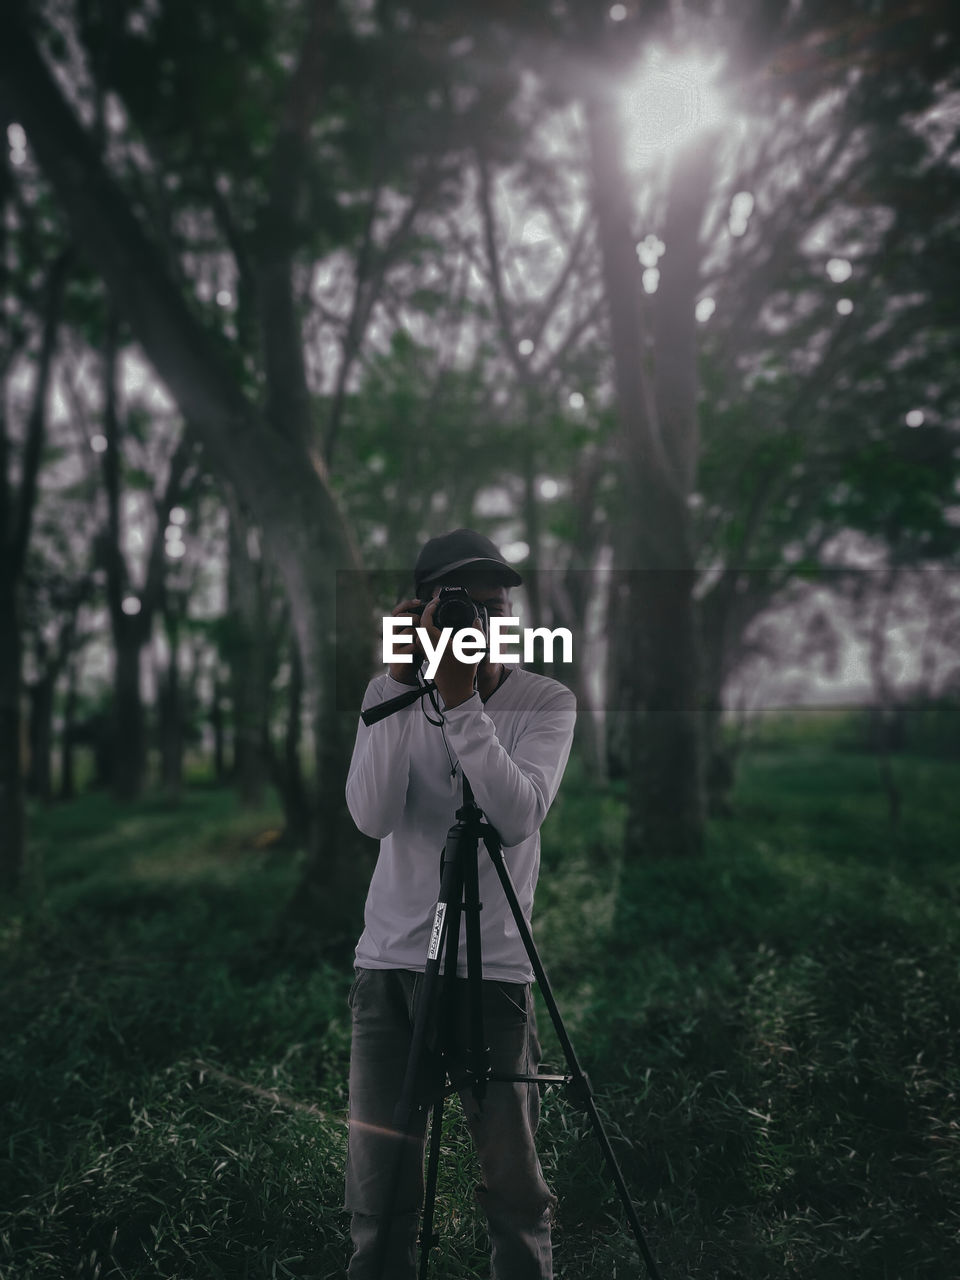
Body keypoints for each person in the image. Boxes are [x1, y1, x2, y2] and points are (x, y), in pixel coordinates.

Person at [343, 528, 577, 1280]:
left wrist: (461, 701)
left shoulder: (546, 700)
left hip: (495, 968)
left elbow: (516, 815)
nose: (481, 623)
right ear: (420, 611)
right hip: (391, 963)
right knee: (379, 1183)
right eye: (461, 607)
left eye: (496, 608)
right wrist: (404, 686)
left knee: (513, 1182)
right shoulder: (390, 694)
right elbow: (370, 816)